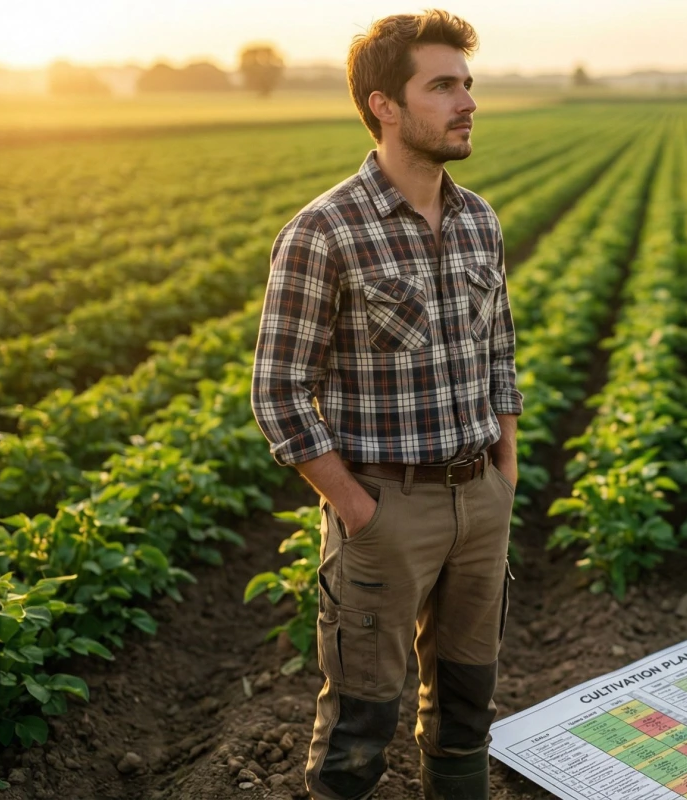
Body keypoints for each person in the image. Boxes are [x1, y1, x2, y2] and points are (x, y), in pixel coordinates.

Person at [249, 10, 519, 800]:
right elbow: (278, 391)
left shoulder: (478, 221)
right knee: (360, 728)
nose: (466, 101)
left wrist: (502, 469)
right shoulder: (323, 232)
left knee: (468, 710)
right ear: (384, 106)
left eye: (467, 84)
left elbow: (500, 352)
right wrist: (358, 510)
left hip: (481, 500)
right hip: (385, 508)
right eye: (442, 86)